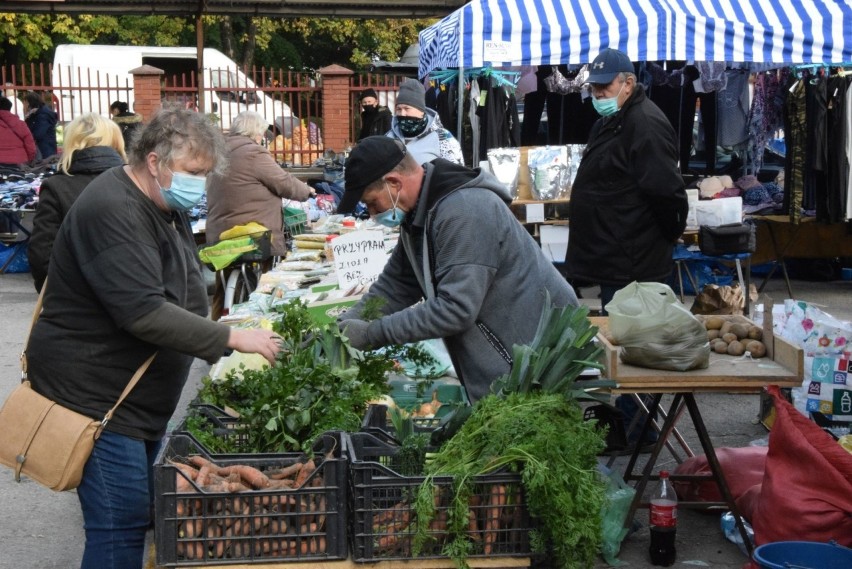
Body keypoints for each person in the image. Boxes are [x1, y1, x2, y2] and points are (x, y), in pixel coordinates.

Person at [25, 109, 285, 569]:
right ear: (153, 161)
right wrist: (231, 337)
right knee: (119, 524)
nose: (199, 184)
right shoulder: (114, 209)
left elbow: (180, 281)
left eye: (206, 174)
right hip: (97, 399)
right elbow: (142, 312)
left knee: (138, 516)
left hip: (132, 398)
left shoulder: (162, 204)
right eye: (191, 173)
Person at [335, 136, 579, 402]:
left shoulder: (464, 211)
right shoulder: (419, 214)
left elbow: (456, 309)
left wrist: (372, 334)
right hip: (507, 358)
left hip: (537, 357)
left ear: (394, 183)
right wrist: (341, 330)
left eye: (372, 203)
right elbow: (396, 285)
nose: (372, 213)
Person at [566, 48, 688, 451]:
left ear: (629, 83)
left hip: (634, 257)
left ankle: (639, 432)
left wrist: (668, 236)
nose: (597, 93)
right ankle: (628, 426)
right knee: (620, 345)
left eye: (604, 86)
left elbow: (666, 192)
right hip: (614, 254)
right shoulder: (617, 118)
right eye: (594, 87)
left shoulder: (645, 123)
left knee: (636, 348)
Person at [206, 110, 315, 319]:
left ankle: (217, 328)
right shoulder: (253, 153)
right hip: (255, 235)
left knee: (224, 278)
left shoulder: (218, 153)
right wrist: (306, 191)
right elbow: (283, 182)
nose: (263, 138)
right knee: (268, 280)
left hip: (220, 235)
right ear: (254, 132)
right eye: (262, 134)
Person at [29, 113, 127, 292]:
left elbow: (42, 251)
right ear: (116, 141)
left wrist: (55, 294)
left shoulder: (56, 186)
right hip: (136, 294)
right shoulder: (135, 181)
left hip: (75, 299)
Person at [387, 78, 464, 165]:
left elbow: (458, 174)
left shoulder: (443, 138)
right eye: (398, 109)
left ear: (421, 110)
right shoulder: (388, 138)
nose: (402, 114)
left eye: (406, 108)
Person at [0, 95, 37, 167]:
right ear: (9, 108)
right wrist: (29, 160)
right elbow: (30, 146)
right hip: (19, 162)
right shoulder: (21, 124)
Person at [23, 91, 58, 160]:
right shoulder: (36, 113)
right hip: (45, 148)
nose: (24, 105)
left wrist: (28, 138)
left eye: (25, 103)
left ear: (30, 103)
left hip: (45, 149)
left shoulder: (43, 115)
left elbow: (38, 133)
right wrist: (28, 117)